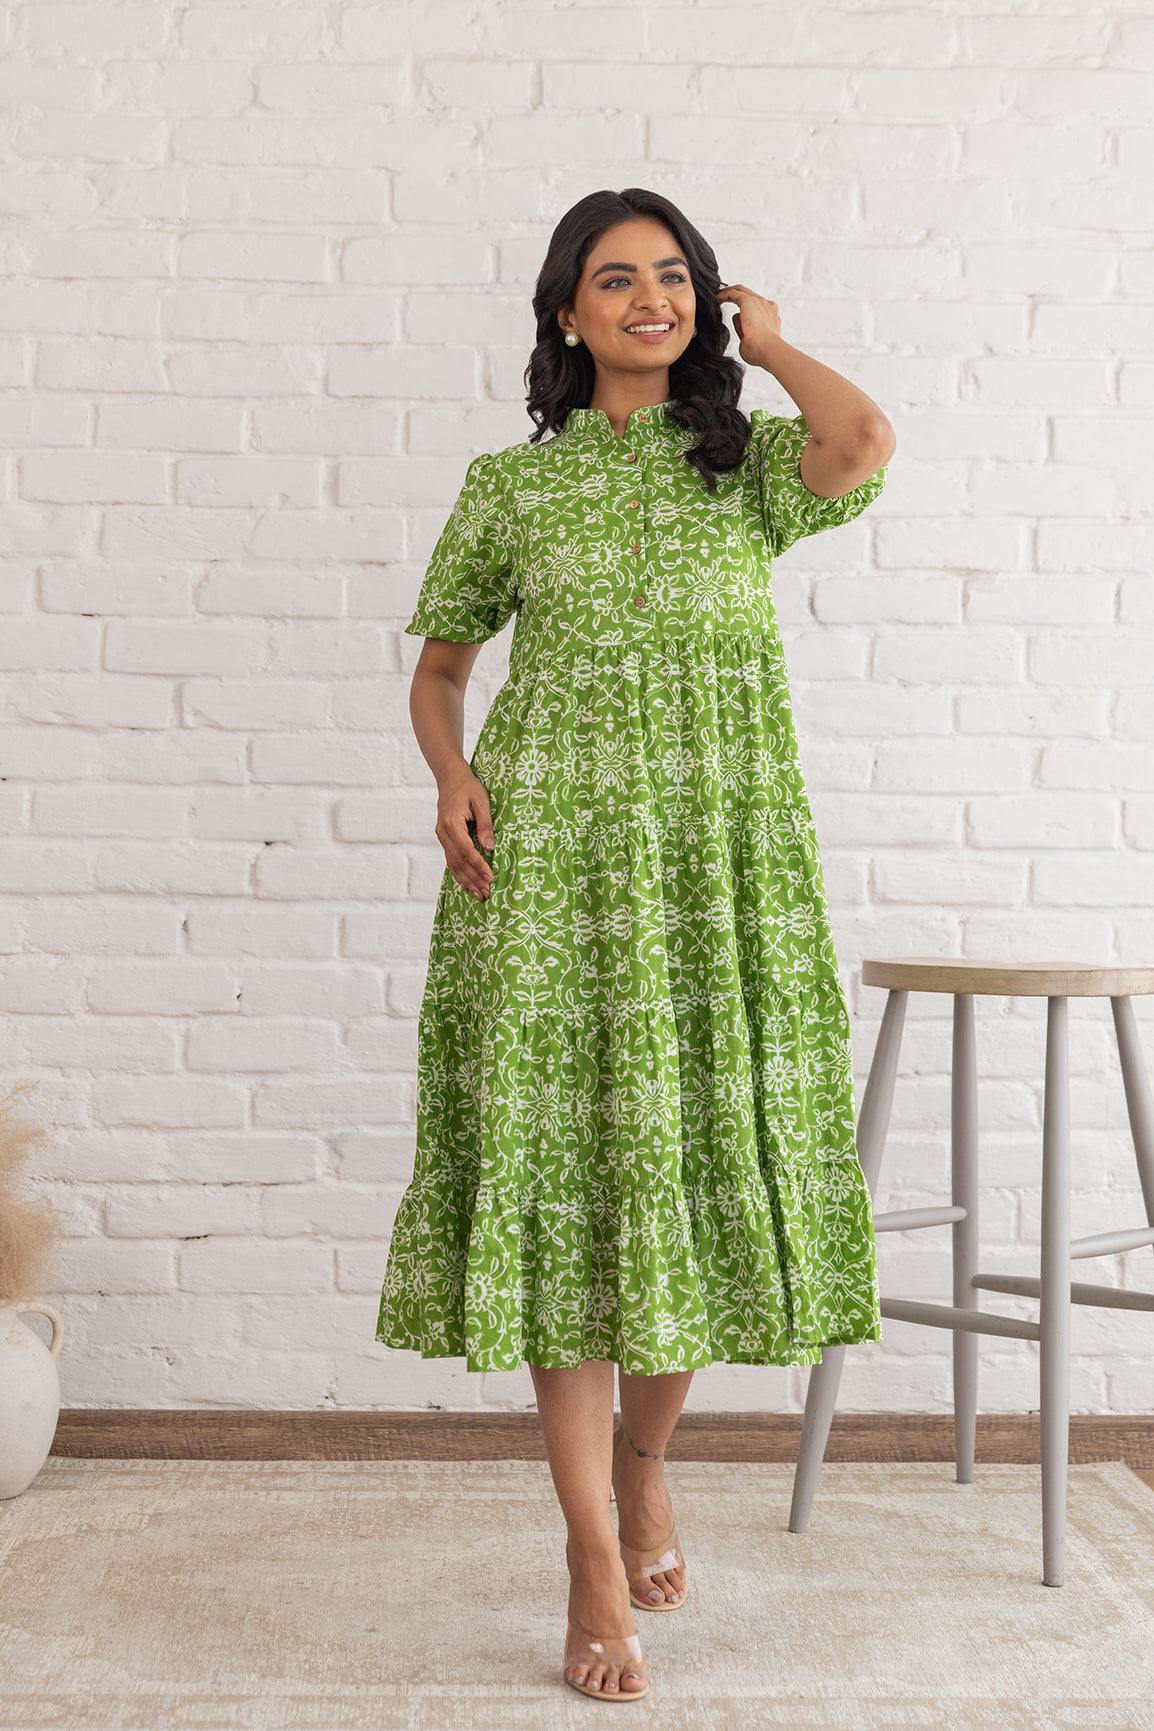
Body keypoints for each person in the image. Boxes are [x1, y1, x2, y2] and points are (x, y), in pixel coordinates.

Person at [377, 187, 896, 1702]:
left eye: (673, 277)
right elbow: (441, 669)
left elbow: (861, 445)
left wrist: (775, 345)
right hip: (547, 870)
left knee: (701, 1172)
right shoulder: (510, 489)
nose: (648, 298)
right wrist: (451, 776)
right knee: (567, 1191)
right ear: (565, 314)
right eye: (616, 280)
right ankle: (589, 1561)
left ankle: (648, 1461)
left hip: (721, 868)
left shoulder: (740, 470)